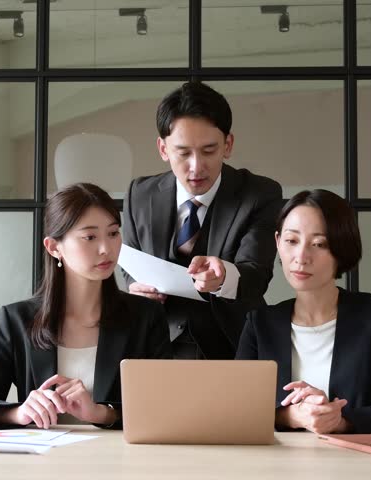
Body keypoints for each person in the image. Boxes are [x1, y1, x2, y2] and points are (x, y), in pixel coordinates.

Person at [0, 183, 172, 430]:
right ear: (54, 247)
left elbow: (164, 408)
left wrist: (102, 413)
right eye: (90, 237)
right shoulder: (15, 320)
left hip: (119, 462)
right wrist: (19, 412)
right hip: (43, 462)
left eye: (113, 233)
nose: (106, 249)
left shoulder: (145, 316)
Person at [235, 189, 371, 434]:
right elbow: (236, 410)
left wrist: (342, 420)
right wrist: (291, 416)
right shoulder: (260, 323)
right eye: (291, 241)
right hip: (279, 467)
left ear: (342, 249)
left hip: (359, 464)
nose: (301, 257)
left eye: (319, 244)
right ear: (278, 242)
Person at [122, 81, 284, 360]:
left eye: (209, 151)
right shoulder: (139, 193)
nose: (196, 166)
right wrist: (134, 290)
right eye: (183, 153)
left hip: (233, 347)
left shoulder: (260, 193)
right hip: (153, 348)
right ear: (163, 149)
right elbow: (130, 267)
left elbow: (257, 274)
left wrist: (223, 278)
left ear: (228, 144)